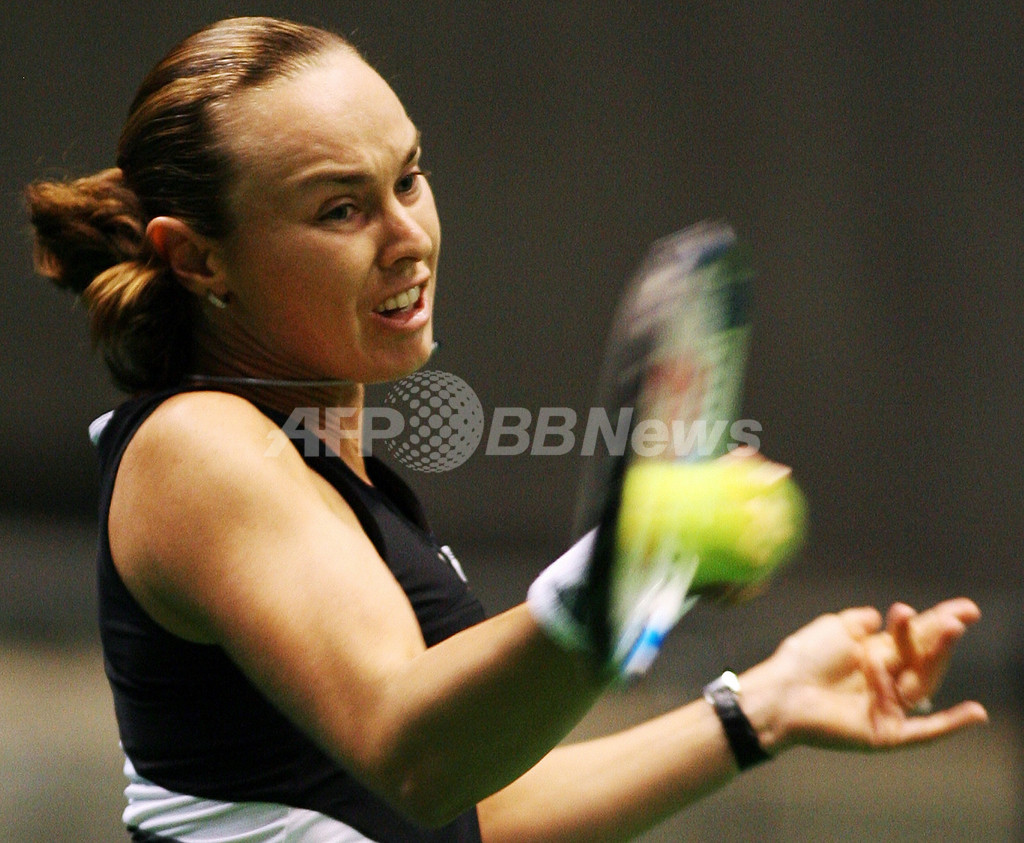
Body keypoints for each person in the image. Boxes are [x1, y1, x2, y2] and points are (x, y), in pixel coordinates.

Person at [25, 16, 987, 843]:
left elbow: (477, 812)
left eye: (408, 177)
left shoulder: (344, 483)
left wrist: (761, 708)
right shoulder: (198, 448)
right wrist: (627, 561)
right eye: (340, 208)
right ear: (196, 258)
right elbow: (413, 751)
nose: (407, 235)